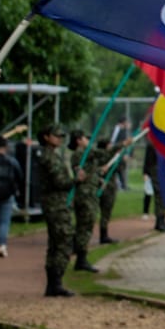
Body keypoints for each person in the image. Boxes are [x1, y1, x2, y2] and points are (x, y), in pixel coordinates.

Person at [35, 125, 84, 296]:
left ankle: (53, 284)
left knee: (55, 243)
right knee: (63, 241)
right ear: (46, 137)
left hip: (56, 204)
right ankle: (55, 282)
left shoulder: (51, 155)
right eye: (56, 136)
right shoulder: (48, 157)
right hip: (56, 205)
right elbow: (60, 182)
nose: (60, 139)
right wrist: (76, 180)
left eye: (62, 136)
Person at [67, 131, 104, 274]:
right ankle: (80, 259)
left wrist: (98, 174)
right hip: (85, 196)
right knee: (85, 227)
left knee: (86, 226)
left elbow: (89, 171)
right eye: (85, 138)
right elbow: (99, 154)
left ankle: (80, 255)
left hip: (90, 194)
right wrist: (120, 146)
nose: (88, 140)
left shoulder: (84, 154)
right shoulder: (79, 154)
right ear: (78, 140)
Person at [0, 134, 23, 257]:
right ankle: (1, 245)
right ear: (5, 147)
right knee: (4, 221)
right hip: (7, 195)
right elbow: (20, 176)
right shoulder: (11, 161)